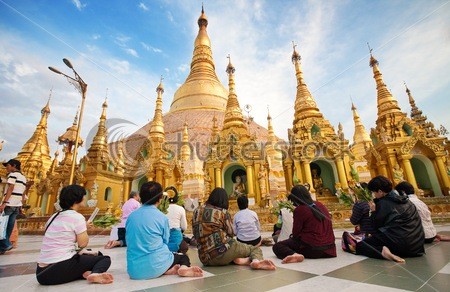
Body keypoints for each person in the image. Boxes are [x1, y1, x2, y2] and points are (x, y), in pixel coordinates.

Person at [36, 185, 113, 285]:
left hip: (41, 273)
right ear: (78, 198)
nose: (85, 198)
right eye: (84, 195)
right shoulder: (77, 217)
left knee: (92, 254)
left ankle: (84, 274)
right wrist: (84, 229)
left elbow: (61, 235)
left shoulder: (53, 216)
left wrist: (82, 227)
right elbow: (82, 244)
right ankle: (95, 274)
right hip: (57, 269)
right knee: (104, 259)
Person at [126, 181, 203, 280]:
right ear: (160, 199)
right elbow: (165, 241)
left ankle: (167, 270)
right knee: (183, 257)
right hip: (156, 266)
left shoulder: (131, 216)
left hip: (134, 271)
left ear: (140, 197)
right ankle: (183, 268)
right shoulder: (162, 217)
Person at [342, 176, 424, 263]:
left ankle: (384, 252)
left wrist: (373, 212)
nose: (373, 195)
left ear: (380, 191)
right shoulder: (406, 200)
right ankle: (385, 250)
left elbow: (375, 227)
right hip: (417, 246)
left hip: (400, 246)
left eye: (374, 192)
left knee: (360, 245)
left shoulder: (383, 203)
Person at [192, 188, 275, 270]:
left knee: (233, 251)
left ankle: (241, 260)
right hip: (221, 254)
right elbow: (231, 232)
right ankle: (256, 261)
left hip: (204, 258)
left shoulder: (197, 210)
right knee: (253, 249)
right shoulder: (222, 212)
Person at [272, 185, 336, 263]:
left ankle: (294, 254)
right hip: (330, 249)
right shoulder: (320, 205)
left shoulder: (300, 209)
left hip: (312, 250)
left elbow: (296, 233)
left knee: (277, 246)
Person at [1, 159, 27, 254]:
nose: (6, 168)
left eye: (8, 165)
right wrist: (21, 205)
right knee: (9, 226)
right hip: (17, 205)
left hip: (9, 203)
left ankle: (6, 244)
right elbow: (23, 192)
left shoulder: (12, 175)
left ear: (14, 166)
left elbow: (11, 188)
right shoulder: (24, 178)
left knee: (2, 225)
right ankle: (4, 246)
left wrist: (4, 202)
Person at [164, 186, 188, 253]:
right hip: (176, 238)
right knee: (184, 247)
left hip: (164, 238)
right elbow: (184, 227)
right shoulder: (180, 209)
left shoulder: (162, 209)